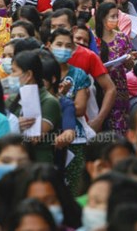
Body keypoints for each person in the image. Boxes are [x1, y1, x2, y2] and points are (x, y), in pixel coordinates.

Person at [51, 10, 117, 133]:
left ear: (73, 29)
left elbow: (110, 89)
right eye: (53, 27)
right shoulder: (44, 55)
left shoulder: (88, 56)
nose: (56, 30)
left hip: (81, 127)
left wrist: (99, 120)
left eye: (61, 26)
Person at [46, 29, 92, 194]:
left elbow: (79, 109)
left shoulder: (78, 74)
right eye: (59, 44)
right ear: (49, 45)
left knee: (73, 188)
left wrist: (60, 98)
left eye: (68, 46)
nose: (63, 49)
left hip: (75, 138)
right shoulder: (41, 71)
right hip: (45, 138)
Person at [6, 51, 61, 163]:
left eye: (14, 71)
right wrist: (14, 124)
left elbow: (33, 138)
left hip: (38, 163)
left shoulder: (49, 102)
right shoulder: (11, 99)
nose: (10, 76)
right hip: (13, 162)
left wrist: (13, 126)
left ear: (28, 75)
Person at [94, 2, 134, 135]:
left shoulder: (122, 37)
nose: (115, 19)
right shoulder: (93, 39)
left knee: (119, 125)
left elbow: (129, 66)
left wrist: (128, 61)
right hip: (99, 87)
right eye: (112, 16)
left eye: (116, 16)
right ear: (102, 17)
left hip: (119, 86)